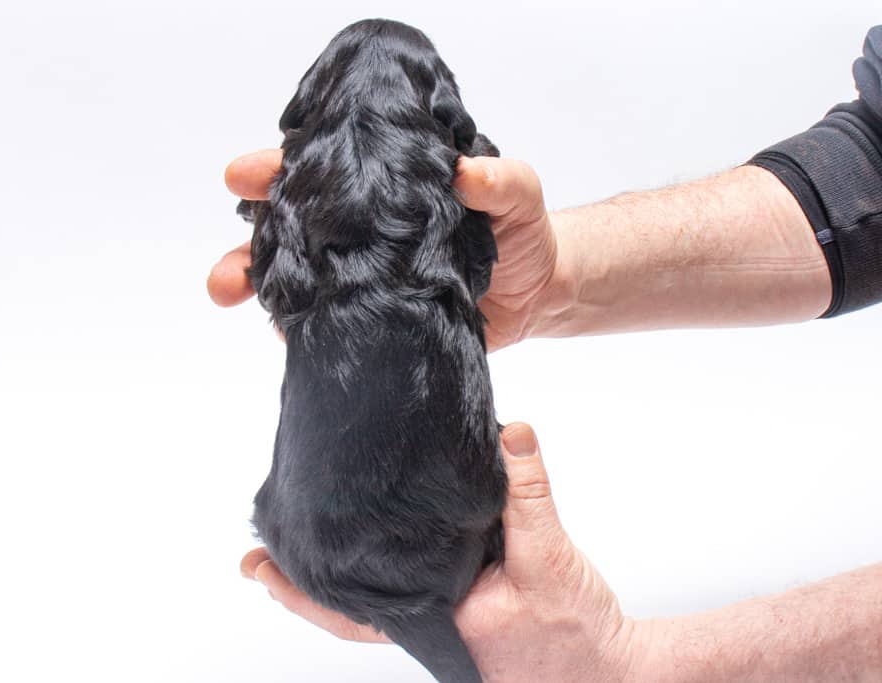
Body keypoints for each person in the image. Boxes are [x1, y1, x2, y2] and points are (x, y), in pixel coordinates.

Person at [207, 27, 882, 682]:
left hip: (304, 543)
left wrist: (636, 667)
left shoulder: (296, 222)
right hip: (446, 550)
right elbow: (872, 153)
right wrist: (552, 271)